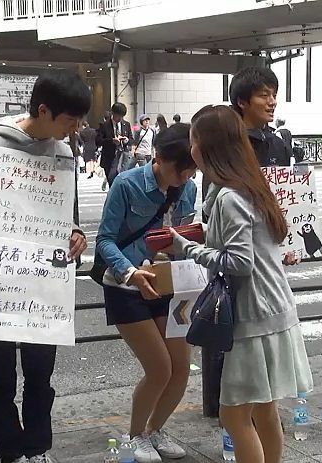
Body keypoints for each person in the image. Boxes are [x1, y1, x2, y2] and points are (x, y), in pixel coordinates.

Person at [0, 69, 91, 463]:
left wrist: (77, 234)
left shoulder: (64, 154)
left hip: (44, 283)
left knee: (40, 375)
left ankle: (38, 449)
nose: (74, 130)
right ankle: (13, 453)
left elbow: (68, 216)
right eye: (69, 121)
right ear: (44, 111)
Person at [172, 105, 312, 463]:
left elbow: (239, 263)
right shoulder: (247, 187)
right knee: (264, 410)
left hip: (254, 316)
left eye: (194, 141)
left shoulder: (231, 197)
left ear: (207, 148)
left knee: (234, 414)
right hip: (275, 309)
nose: (191, 150)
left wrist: (189, 248)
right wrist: (202, 235)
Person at [96, 123, 197, 463]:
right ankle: (135, 435)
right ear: (158, 157)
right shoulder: (127, 184)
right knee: (159, 368)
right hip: (126, 285)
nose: (184, 176)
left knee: (181, 365)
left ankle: (156, 429)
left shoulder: (189, 188)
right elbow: (105, 240)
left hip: (168, 283)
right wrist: (130, 271)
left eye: (190, 169)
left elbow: (185, 236)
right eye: (178, 169)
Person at [223, 66, 298, 266]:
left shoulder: (277, 144)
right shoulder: (226, 145)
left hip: (270, 251)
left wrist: (287, 246)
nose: (272, 102)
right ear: (241, 101)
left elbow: (284, 199)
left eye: (274, 95)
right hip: (237, 251)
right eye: (264, 95)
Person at [96, 102, 132, 189]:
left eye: (122, 116)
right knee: (112, 182)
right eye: (118, 116)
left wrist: (126, 140)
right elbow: (98, 141)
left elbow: (131, 139)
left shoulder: (126, 124)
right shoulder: (104, 125)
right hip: (109, 158)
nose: (120, 118)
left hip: (123, 157)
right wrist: (111, 141)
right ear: (113, 113)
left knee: (122, 182)